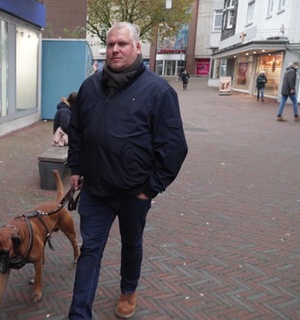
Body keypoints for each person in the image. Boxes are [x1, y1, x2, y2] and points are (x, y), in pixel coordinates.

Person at [67, 22, 188, 319]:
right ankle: (79, 314)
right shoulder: (90, 86)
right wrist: (77, 166)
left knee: (131, 244)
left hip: (134, 192)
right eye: (110, 45)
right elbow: (77, 130)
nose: (115, 49)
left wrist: (151, 188)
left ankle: (128, 289)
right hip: (96, 190)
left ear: (137, 48)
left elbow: (174, 147)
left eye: (122, 44)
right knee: (90, 251)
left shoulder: (158, 92)